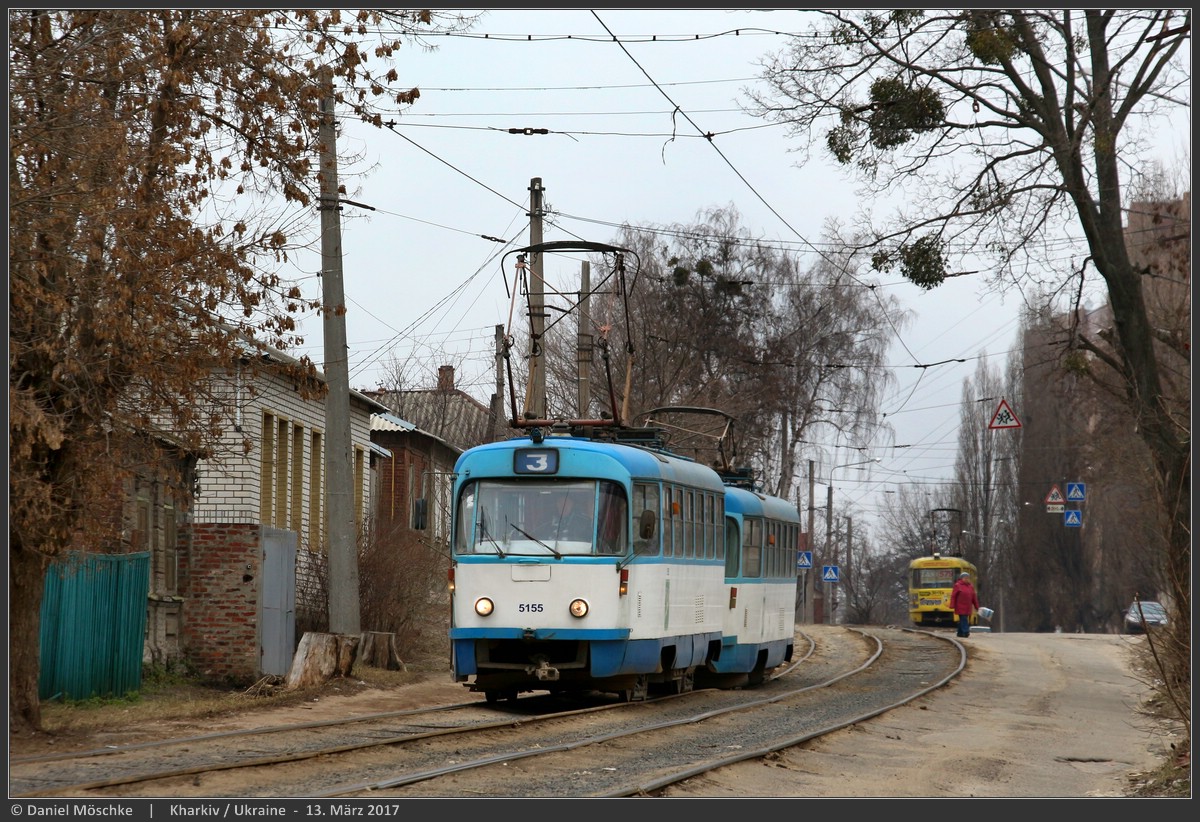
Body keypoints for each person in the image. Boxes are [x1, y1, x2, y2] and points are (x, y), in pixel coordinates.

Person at [950, 571, 979, 637]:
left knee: (963, 619)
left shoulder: (970, 586)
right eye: (965, 578)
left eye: (968, 578)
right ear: (961, 578)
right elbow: (953, 596)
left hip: (968, 607)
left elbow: (974, 597)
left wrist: (977, 606)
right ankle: (966, 632)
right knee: (964, 619)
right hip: (960, 606)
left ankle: (959, 633)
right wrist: (952, 605)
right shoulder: (958, 585)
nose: (967, 579)